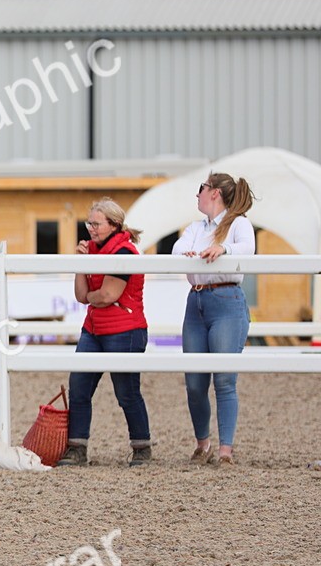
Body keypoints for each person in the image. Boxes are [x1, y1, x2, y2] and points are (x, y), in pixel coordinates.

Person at [56, 198, 152, 468]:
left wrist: (93, 295)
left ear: (113, 225)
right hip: (95, 327)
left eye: (96, 224)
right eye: (90, 223)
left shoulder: (125, 253)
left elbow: (108, 294)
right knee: (79, 387)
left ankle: (141, 446)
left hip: (124, 329)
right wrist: (82, 264)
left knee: (127, 392)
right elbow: (82, 295)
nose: (91, 229)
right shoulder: (95, 253)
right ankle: (77, 447)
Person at [172, 173, 256, 466]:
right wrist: (190, 254)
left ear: (215, 193)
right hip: (197, 299)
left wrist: (224, 248)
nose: (198, 195)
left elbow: (248, 248)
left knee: (224, 378)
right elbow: (177, 250)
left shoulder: (238, 224)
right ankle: (202, 442)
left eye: (202, 189)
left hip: (226, 299)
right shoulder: (196, 227)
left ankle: (225, 449)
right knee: (194, 381)